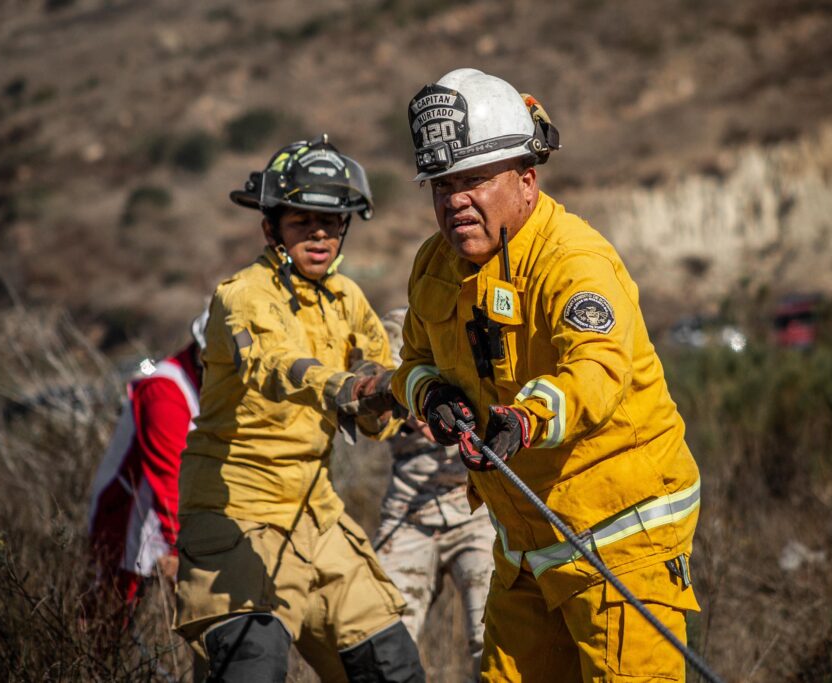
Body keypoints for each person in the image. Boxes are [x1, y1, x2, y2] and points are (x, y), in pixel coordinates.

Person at [392, 68, 702, 682]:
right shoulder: (433, 265)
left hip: (620, 534)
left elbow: (597, 368)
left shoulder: (573, 260)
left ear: (526, 180)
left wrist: (529, 417)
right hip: (526, 544)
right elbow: (412, 362)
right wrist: (431, 395)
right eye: (442, 183)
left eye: (474, 180)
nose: (455, 200)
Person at [173, 135, 424, 682]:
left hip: (318, 513)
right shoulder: (243, 295)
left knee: (392, 668)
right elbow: (273, 363)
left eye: (332, 222)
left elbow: (376, 412)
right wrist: (348, 387)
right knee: (253, 665)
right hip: (237, 512)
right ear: (271, 227)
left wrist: (401, 399)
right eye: (302, 220)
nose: (318, 234)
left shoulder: (348, 299)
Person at [373, 307, 495, 681]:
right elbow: (370, 389)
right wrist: (407, 402)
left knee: (491, 642)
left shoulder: (485, 322)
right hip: (410, 509)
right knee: (380, 635)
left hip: (477, 508)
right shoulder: (397, 327)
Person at [87, 310, 207, 622]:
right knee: (110, 619)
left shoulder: (208, 385)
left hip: (176, 520)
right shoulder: (165, 392)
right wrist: (183, 553)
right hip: (128, 519)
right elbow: (170, 479)